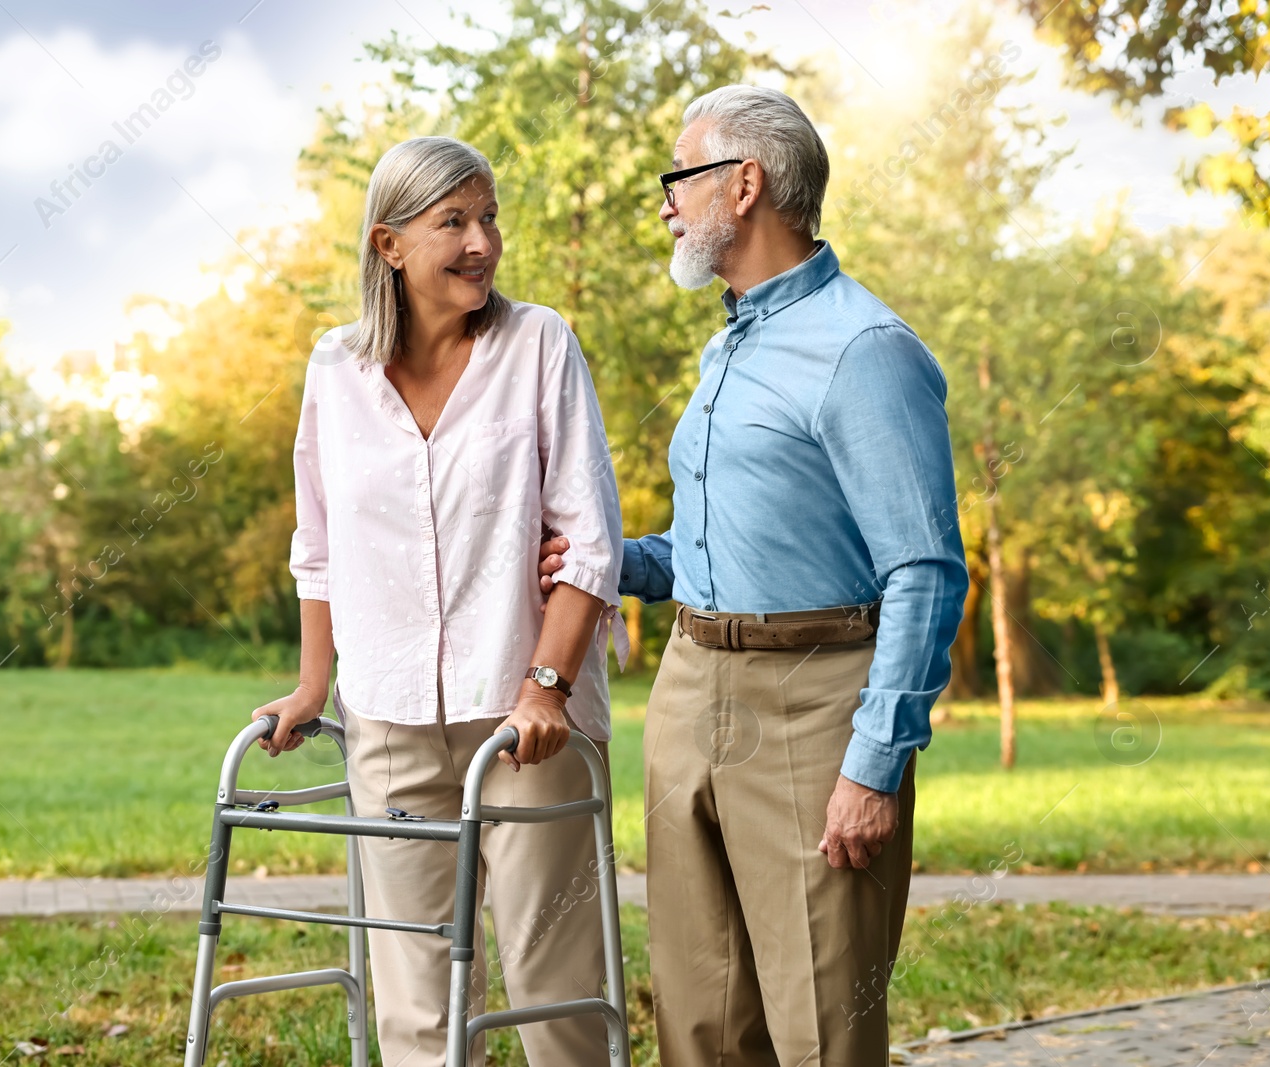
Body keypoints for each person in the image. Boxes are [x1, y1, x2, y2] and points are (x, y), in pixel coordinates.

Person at [541, 85, 969, 1065]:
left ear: (745, 184)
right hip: (692, 688)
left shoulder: (864, 351)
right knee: (699, 1020)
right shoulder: (730, 343)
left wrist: (873, 761)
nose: (663, 203)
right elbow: (715, 543)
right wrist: (608, 564)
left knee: (818, 1027)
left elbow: (925, 570)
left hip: (814, 703)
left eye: (677, 176)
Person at [254, 135, 626, 1066]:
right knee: (415, 1003)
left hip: (525, 725)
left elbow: (590, 539)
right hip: (389, 722)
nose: (482, 243)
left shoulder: (539, 342)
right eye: (453, 221)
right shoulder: (334, 370)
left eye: (489, 218)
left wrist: (547, 683)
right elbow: (319, 543)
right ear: (389, 245)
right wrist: (312, 684)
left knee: (553, 991)